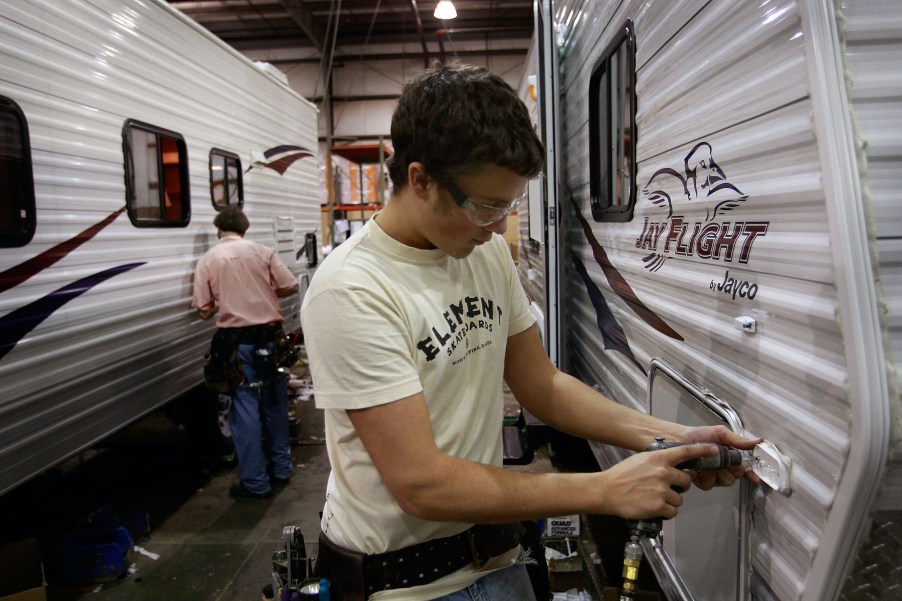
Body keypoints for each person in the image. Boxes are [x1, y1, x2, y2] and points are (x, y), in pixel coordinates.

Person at [300, 64, 760, 600]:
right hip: (407, 586)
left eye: (509, 205)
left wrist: (672, 438)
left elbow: (542, 384)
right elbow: (420, 483)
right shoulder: (352, 289)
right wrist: (604, 489)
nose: (499, 227)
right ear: (420, 179)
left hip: (498, 562)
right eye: (485, 206)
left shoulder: (485, 253)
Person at [192, 206, 299, 499]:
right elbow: (289, 285)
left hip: (236, 345)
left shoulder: (209, 259)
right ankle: (281, 469)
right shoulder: (262, 252)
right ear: (244, 229)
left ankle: (256, 483)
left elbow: (203, 310)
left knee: (244, 409)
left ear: (218, 230)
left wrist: (224, 300)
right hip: (270, 339)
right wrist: (262, 293)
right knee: (275, 403)